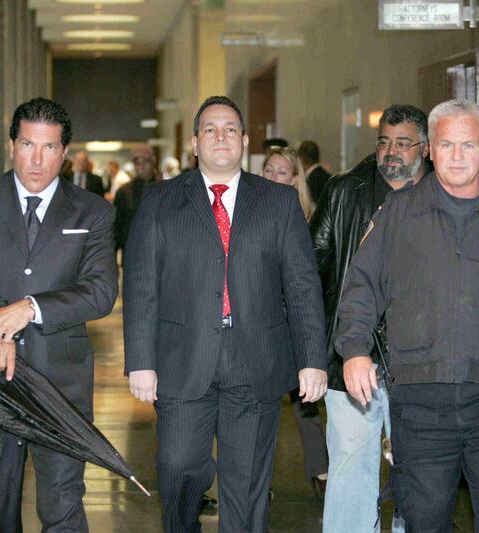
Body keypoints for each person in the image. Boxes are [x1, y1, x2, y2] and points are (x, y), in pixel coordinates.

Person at [337, 99, 479, 532]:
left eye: (468, 145)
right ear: (431, 151)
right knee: (424, 519)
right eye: (447, 145)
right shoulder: (398, 214)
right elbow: (360, 287)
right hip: (421, 402)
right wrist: (354, 350)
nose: (458, 156)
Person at [123, 95, 327, 533]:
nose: (221, 136)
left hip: (255, 359)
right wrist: (140, 360)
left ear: (245, 141)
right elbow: (141, 285)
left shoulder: (277, 202)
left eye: (231, 129)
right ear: (195, 142)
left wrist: (312, 358)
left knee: (248, 484)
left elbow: (303, 285)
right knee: (179, 467)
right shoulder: (160, 201)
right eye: (211, 129)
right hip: (182, 358)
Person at [0, 97, 118, 532]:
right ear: (12, 145)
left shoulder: (93, 212)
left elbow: (101, 291)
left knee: (63, 505)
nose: (37, 160)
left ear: (64, 153)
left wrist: (30, 308)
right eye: (28, 145)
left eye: (49, 148)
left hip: (60, 387)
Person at [311, 104, 430, 531]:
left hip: (420, 362)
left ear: (426, 146)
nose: (391, 152)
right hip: (352, 356)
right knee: (349, 465)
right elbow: (312, 268)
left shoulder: (445, 192)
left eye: (403, 143)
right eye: (384, 142)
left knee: (417, 470)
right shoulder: (346, 192)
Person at [261, 146, 328, 492]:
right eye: (268, 171)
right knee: (263, 409)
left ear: (296, 179)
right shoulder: (251, 216)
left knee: (306, 405)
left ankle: (320, 469)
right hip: (264, 328)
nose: (273, 177)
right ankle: (259, 481)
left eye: (281, 172)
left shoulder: (311, 221)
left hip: (296, 328)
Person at [113, 144, 158, 256]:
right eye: (137, 163)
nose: (141, 167)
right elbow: (117, 228)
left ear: (153, 162)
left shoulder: (168, 188)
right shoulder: (124, 192)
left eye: (145, 162)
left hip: (160, 252)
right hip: (133, 252)